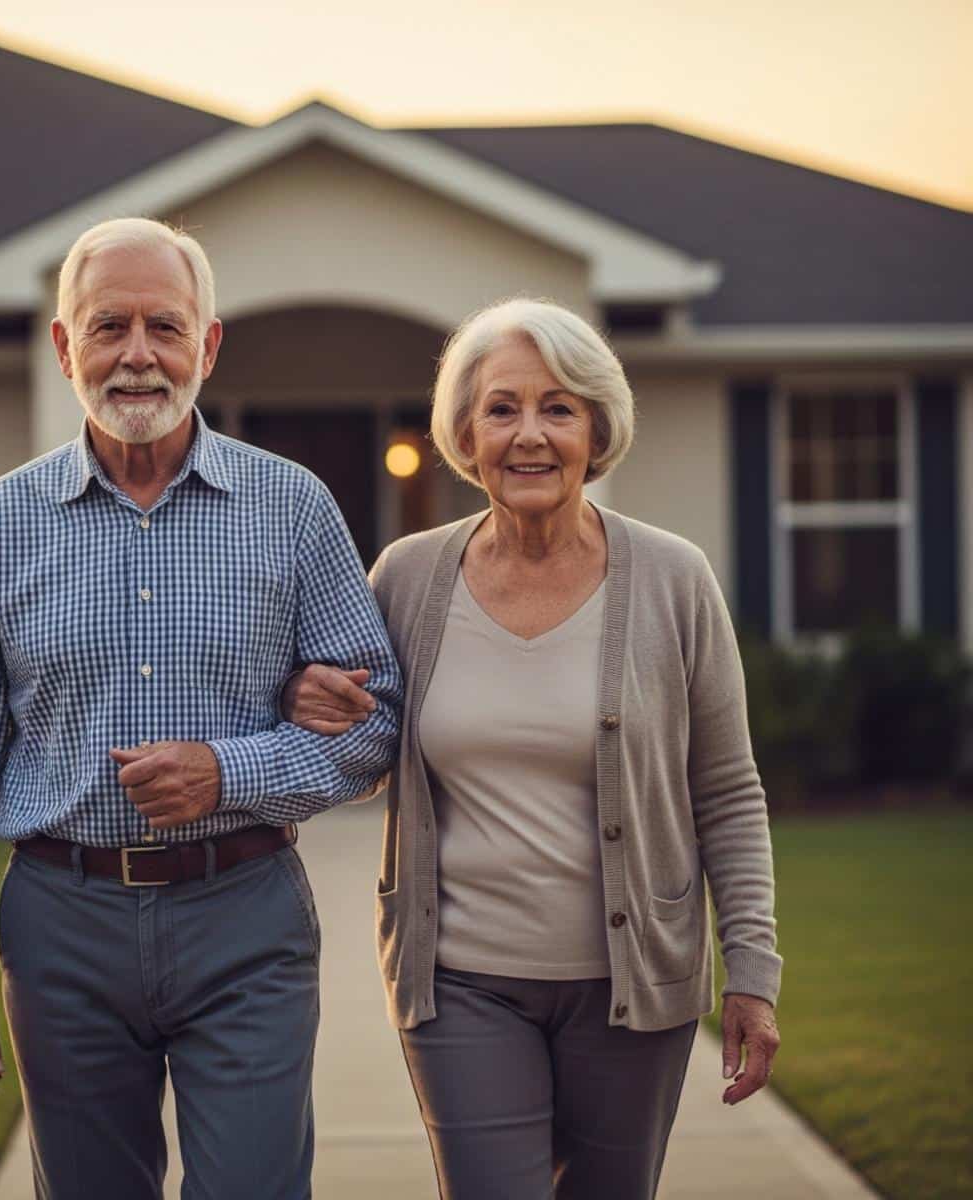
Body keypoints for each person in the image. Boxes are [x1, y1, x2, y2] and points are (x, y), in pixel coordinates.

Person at [0, 217, 402, 1200]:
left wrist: (231, 770)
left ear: (207, 346)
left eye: (165, 327)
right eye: (108, 326)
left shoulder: (292, 508)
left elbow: (377, 720)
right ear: (64, 346)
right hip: (62, 925)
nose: (137, 355)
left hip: (245, 915)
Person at [283, 297, 782, 1200]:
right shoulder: (405, 577)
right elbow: (356, 752)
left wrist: (753, 968)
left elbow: (728, 791)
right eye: (502, 408)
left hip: (633, 991)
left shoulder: (674, 579)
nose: (530, 436)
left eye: (559, 408)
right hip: (462, 981)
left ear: (597, 428)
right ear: (466, 434)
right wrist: (310, 706)